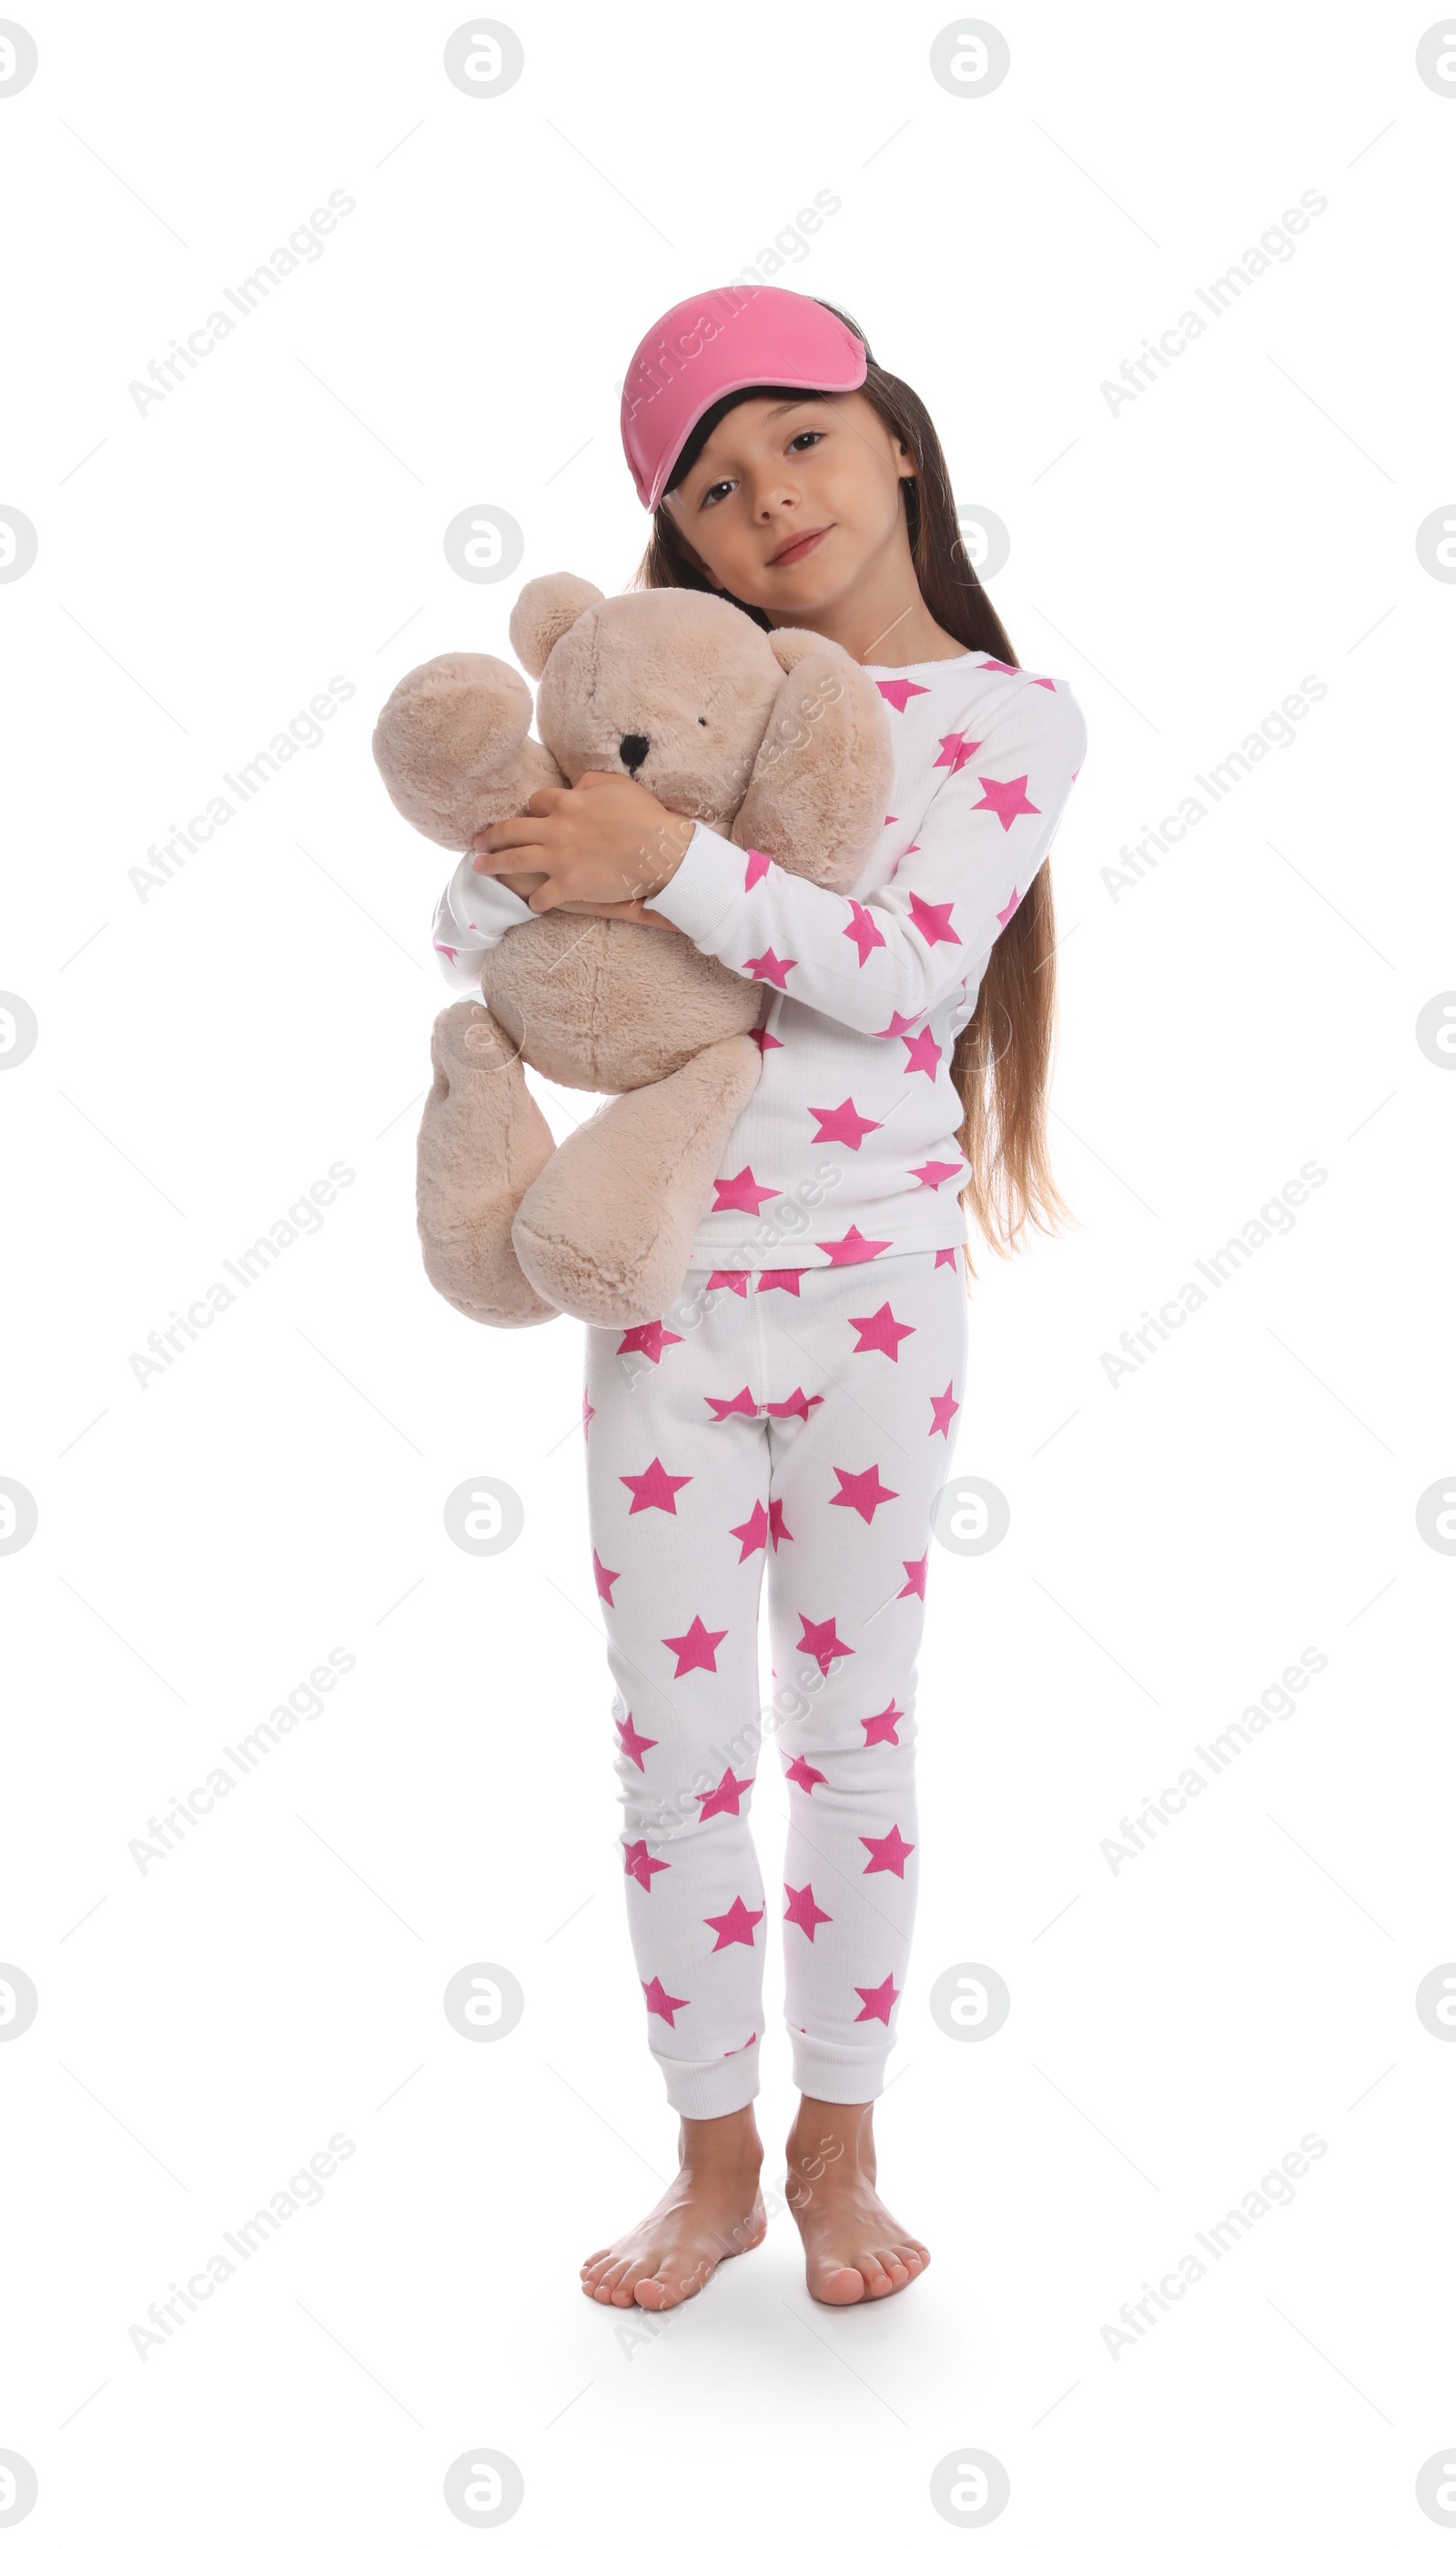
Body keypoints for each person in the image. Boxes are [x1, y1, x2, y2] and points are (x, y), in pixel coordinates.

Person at [431, 285, 1088, 2311]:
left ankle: (838, 2143)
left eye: (796, 437)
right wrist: (573, 850)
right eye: (709, 487)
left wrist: (658, 861)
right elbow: (476, 905)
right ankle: (708, 2160)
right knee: (675, 1745)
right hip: (664, 1305)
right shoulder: (671, 707)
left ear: (893, 435)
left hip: (871, 1298)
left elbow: (893, 970)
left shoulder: (1003, 719)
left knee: (854, 1737)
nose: (765, 497)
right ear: (680, 544)